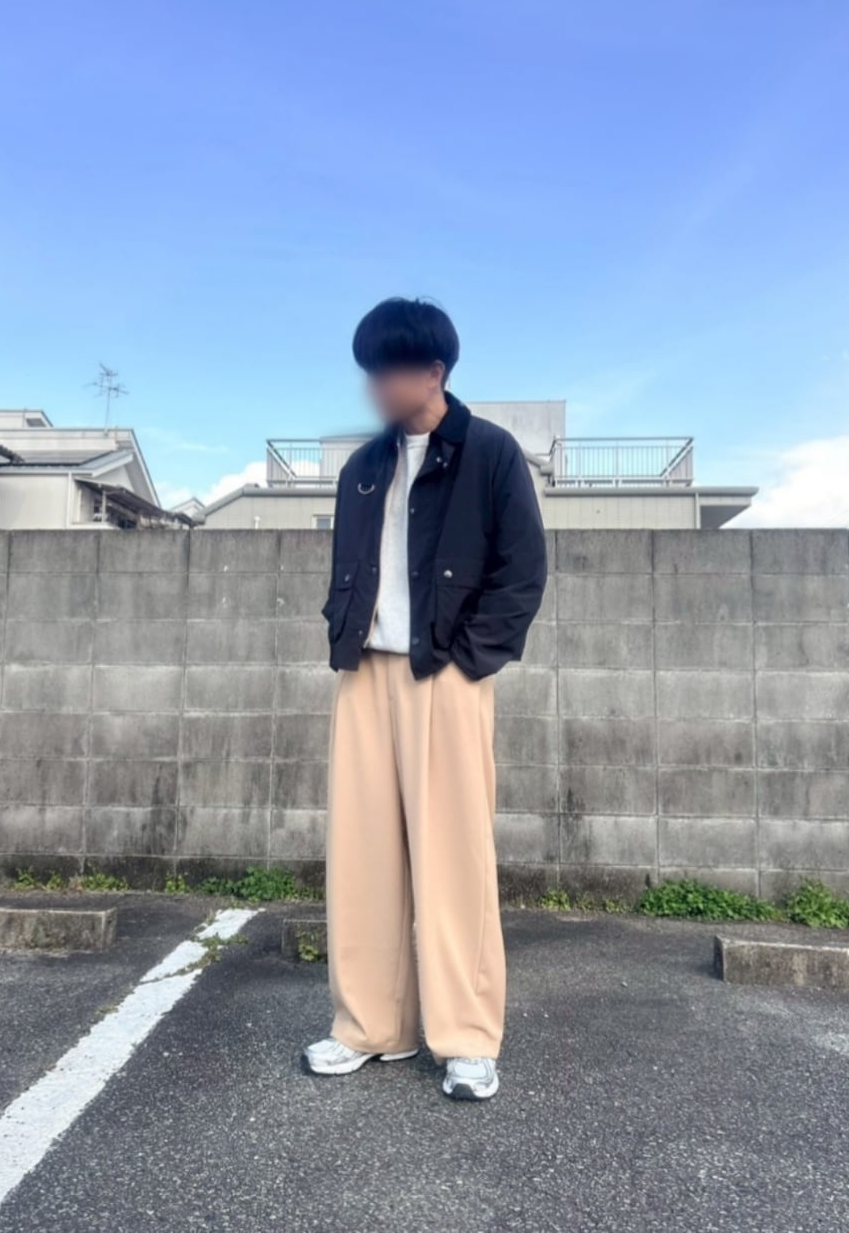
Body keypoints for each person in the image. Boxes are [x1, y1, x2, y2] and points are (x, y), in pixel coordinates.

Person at [301, 297, 547, 1101]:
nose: (373, 385)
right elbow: (349, 568)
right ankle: (371, 1026)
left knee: (453, 858)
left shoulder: (490, 453)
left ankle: (468, 1036)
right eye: (368, 370)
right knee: (361, 858)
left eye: (387, 370)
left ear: (433, 371)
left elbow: (523, 570)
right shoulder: (362, 469)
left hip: (444, 671)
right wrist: (341, 631)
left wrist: (470, 660)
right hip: (364, 672)